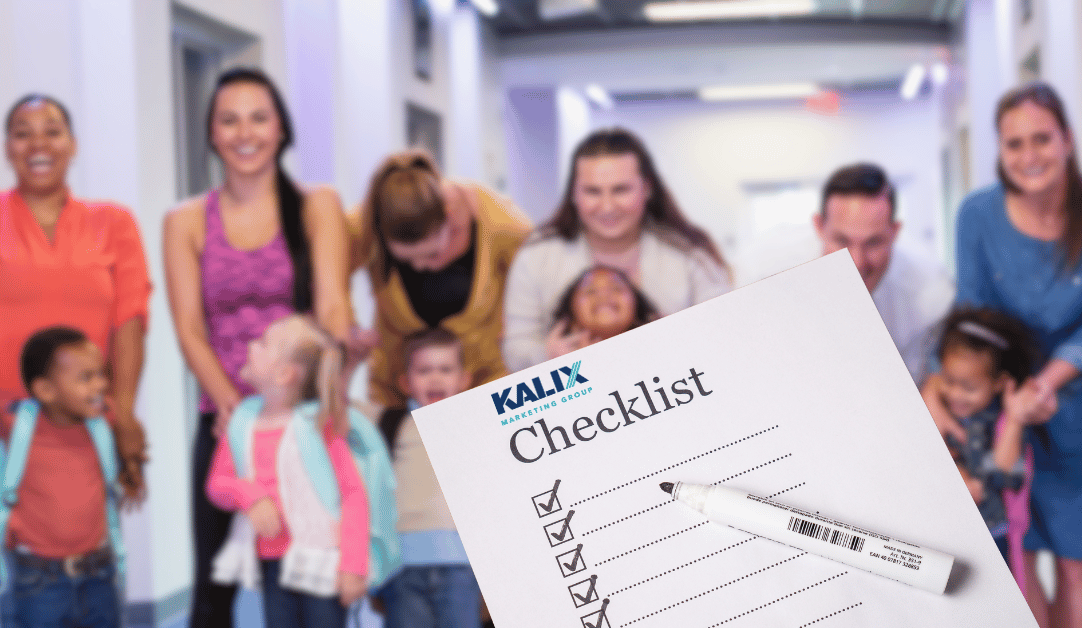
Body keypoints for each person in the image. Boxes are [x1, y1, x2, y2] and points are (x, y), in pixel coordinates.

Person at [163, 67, 354, 628]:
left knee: (311, 577)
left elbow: (334, 307)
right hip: (224, 423)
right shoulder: (186, 221)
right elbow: (188, 329)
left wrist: (329, 391)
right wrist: (234, 408)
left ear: (281, 130)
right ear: (212, 134)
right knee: (213, 590)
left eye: (259, 117)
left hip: (306, 421)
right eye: (229, 120)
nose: (245, 133)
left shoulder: (318, 205)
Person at [944, 82, 1082, 628]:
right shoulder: (977, 215)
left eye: (1041, 139)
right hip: (1005, 413)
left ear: (1067, 140)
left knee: (1075, 565)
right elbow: (972, 313)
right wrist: (949, 390)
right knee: (1017, 560)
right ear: (999, 152)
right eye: (1014, 144)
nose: (1029, 157)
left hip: (1072, 401)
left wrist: (1048, 380)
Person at [1, 94, 152, 502]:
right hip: (4, 430)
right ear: (7, 148)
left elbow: (129, 324)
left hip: (85, 425)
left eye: (53, 132)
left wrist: (123, 415)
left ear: (73, 145)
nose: (38, 145)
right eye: (22, 134)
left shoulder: (114, 222)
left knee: (86, 551)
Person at [502, 127, 731, 372]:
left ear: (647, 189)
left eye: (621, 190)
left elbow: (725, 333)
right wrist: (547, 356)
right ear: (574, 195)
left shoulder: (690, 255)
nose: (607, 206)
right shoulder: (537, 258)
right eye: (593, 191)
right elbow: (516, 346)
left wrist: (677, 344)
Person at [206, 315, 368, 628]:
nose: (252, 343)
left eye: (264, 343)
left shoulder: (319, 426)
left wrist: (353, 565)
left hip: (323, 562)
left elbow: (352, 494)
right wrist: (250, 496)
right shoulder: (241, 423)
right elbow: (218, 484)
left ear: (284, 374)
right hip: (271, 562)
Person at [348, 151, 531, 409]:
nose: (421, 267)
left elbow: (543, 287)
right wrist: (347, 323)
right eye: (406, 261)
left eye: (432, 253)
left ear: (449, 216)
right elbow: (320, 272)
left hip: (490, 385)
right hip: (394, 389)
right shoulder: (372, 219)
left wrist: (520, 326)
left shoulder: (503, 224)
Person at [1, 327, 124, 628]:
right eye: (86, 378)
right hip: (38, 580)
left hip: (99, 573)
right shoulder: (16, 428)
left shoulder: (101, 425)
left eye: (100, 373)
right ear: (45, 390)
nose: (100, 385)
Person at [376, 327, 481, 628]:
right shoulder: (390, 423)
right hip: (402, 566)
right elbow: (338, 414)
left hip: (461, 565)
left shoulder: (477, 421)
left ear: (464, 380)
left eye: (445, 369)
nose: (435, 378)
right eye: (424, 370)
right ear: (406, 382)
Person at [813, 163, 954, 384]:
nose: (857, 262)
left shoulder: (931, 295)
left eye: (874, 242)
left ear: (895, 232)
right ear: (819, 227)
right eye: (842, 241)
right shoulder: (768, 279)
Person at [925, 308, 1040, 568]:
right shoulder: (937, 409)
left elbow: (1005, 475)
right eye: (949, 380)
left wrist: (1014, 421)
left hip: (990, 533)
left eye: (969, 387)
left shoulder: (1001, 422)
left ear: (999, 383)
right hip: (944, 532)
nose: (956, 394)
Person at [547, 265, 659, 356]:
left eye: (616, 288)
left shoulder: (659, 351)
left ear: (637, 310)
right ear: (571, 318)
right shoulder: (557, 365)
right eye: (591, 291)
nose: (604, 295)